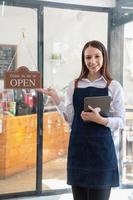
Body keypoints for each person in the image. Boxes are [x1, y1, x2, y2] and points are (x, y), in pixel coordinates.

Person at [37, 40, 125, 200]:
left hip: (102, 154)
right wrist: (55, 98)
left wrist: (100, 120)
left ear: (104, 57)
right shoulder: (74, 85)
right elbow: (70, 118)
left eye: (97, 56)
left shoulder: (114, 86)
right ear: (83, 60)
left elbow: (121, 122)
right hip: (78, 152)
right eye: (88, 57)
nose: (92, 61)